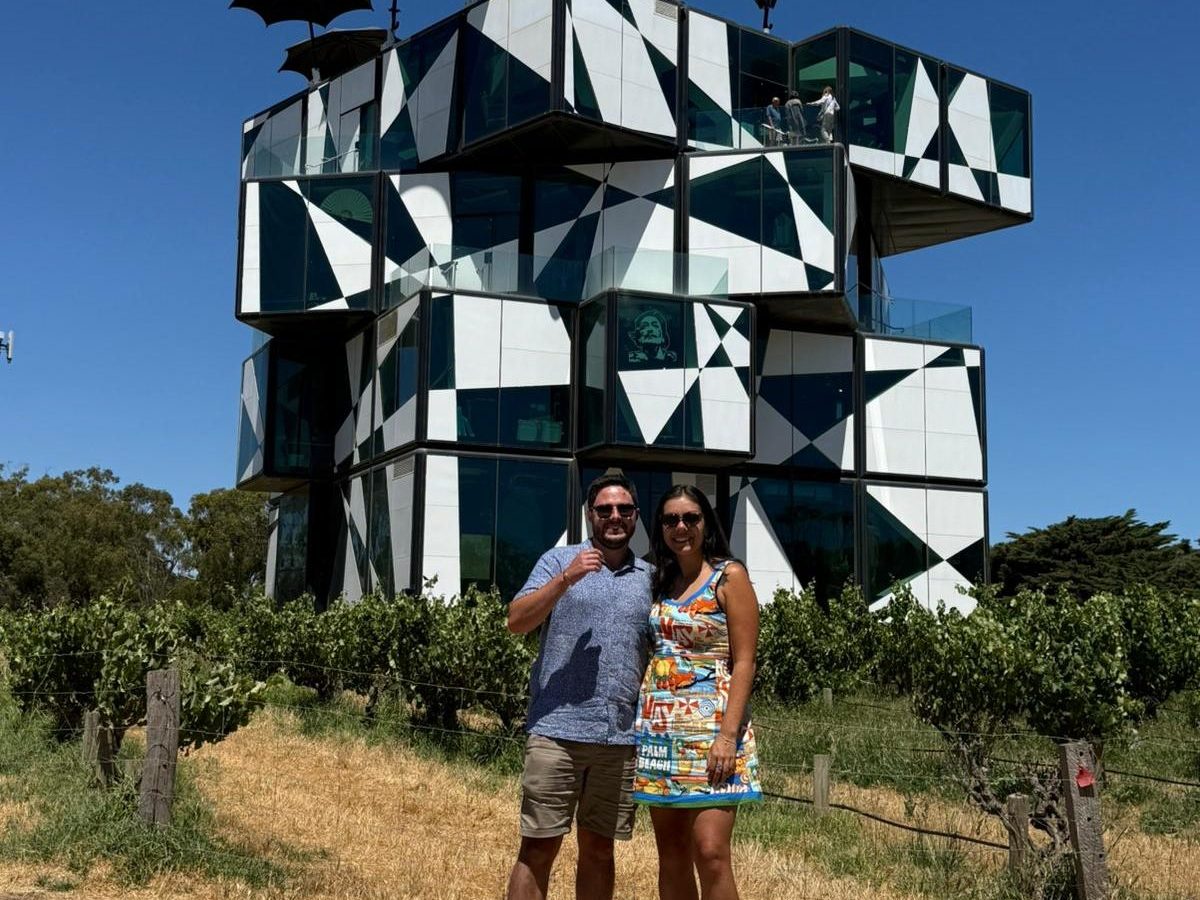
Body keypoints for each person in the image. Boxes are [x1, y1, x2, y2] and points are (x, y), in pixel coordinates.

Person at [504, 473, 654, 900]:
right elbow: (517, 621)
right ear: (590, 515)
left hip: (619, 738)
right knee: (538, 848)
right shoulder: (558, 561)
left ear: (635, 517)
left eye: (624, 509)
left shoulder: (650, 577)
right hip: (557, 731)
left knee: (600, 851)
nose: (614, 517)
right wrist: (566, 579)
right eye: (605, 509)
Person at [633, 485, 762, 900]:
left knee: (710, 851)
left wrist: (727, 736)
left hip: (713, 734)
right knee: (670, 853)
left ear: (706, 524)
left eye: (691, 518)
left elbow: (745, 661)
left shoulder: (730, 577)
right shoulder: (661, 580)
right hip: (661, 736)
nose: (681, 527)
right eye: (671, 520)